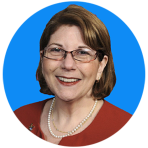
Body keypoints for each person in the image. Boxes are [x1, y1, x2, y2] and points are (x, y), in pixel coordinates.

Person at [13, 5, 133, 146]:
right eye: (56, 50)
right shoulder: (20, 116)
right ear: (42, 58)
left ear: (101, 65)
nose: (68, 65)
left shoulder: (122, 125)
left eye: (83, 52)